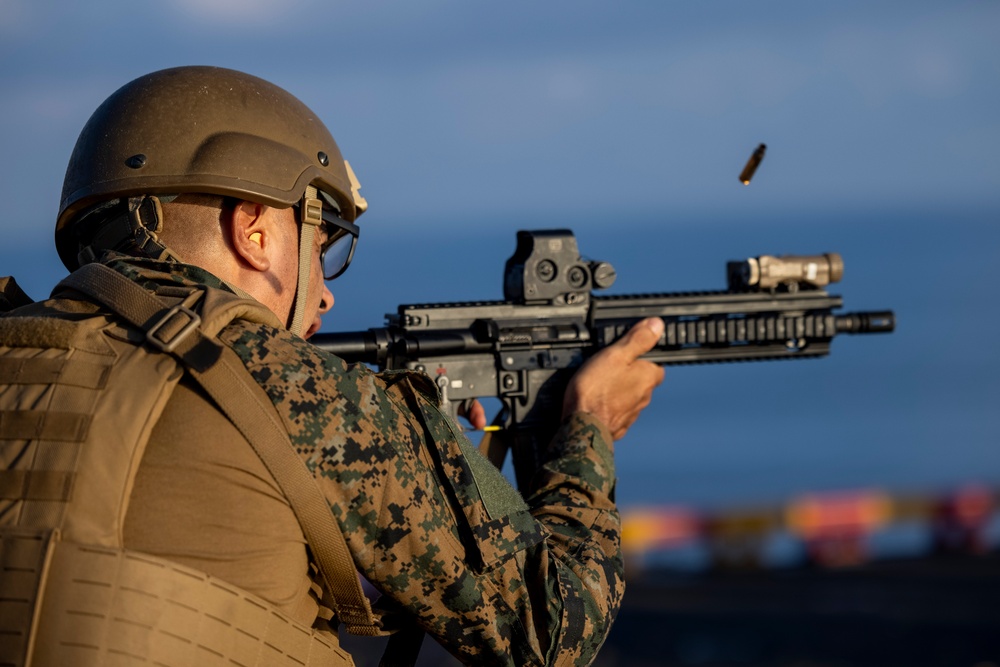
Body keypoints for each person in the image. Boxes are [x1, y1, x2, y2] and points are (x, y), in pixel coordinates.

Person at [0, 66, 664, 667]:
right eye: (324, 245)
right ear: (254, 229)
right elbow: (552, 630)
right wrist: (589, 428)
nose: (325, 291)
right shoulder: (300, 389)